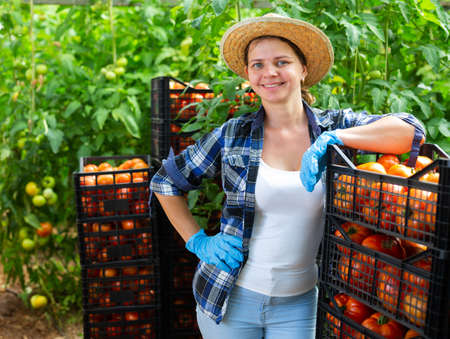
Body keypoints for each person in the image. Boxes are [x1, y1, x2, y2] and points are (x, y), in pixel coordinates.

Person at [150, 13, 425, 339]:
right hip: (229, 298)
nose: (269, 73)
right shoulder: (234, 135)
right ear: (249, 74)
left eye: (282, 62)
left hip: (300, 304)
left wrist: (335, 140)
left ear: (303, 69)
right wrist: (198, 241)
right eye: (258, 65)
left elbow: (411, 131)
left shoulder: (334, 127)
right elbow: (166, 181)